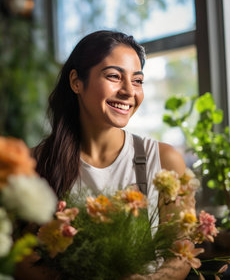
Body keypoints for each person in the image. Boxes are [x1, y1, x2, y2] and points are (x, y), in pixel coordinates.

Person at [15, 30, 191, 280]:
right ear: (76, 82)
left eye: (138, 80)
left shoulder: (163, 160)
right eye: (114, 77)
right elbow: (22, 257)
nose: (129, 91)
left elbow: (181, 253)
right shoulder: (36, 163)